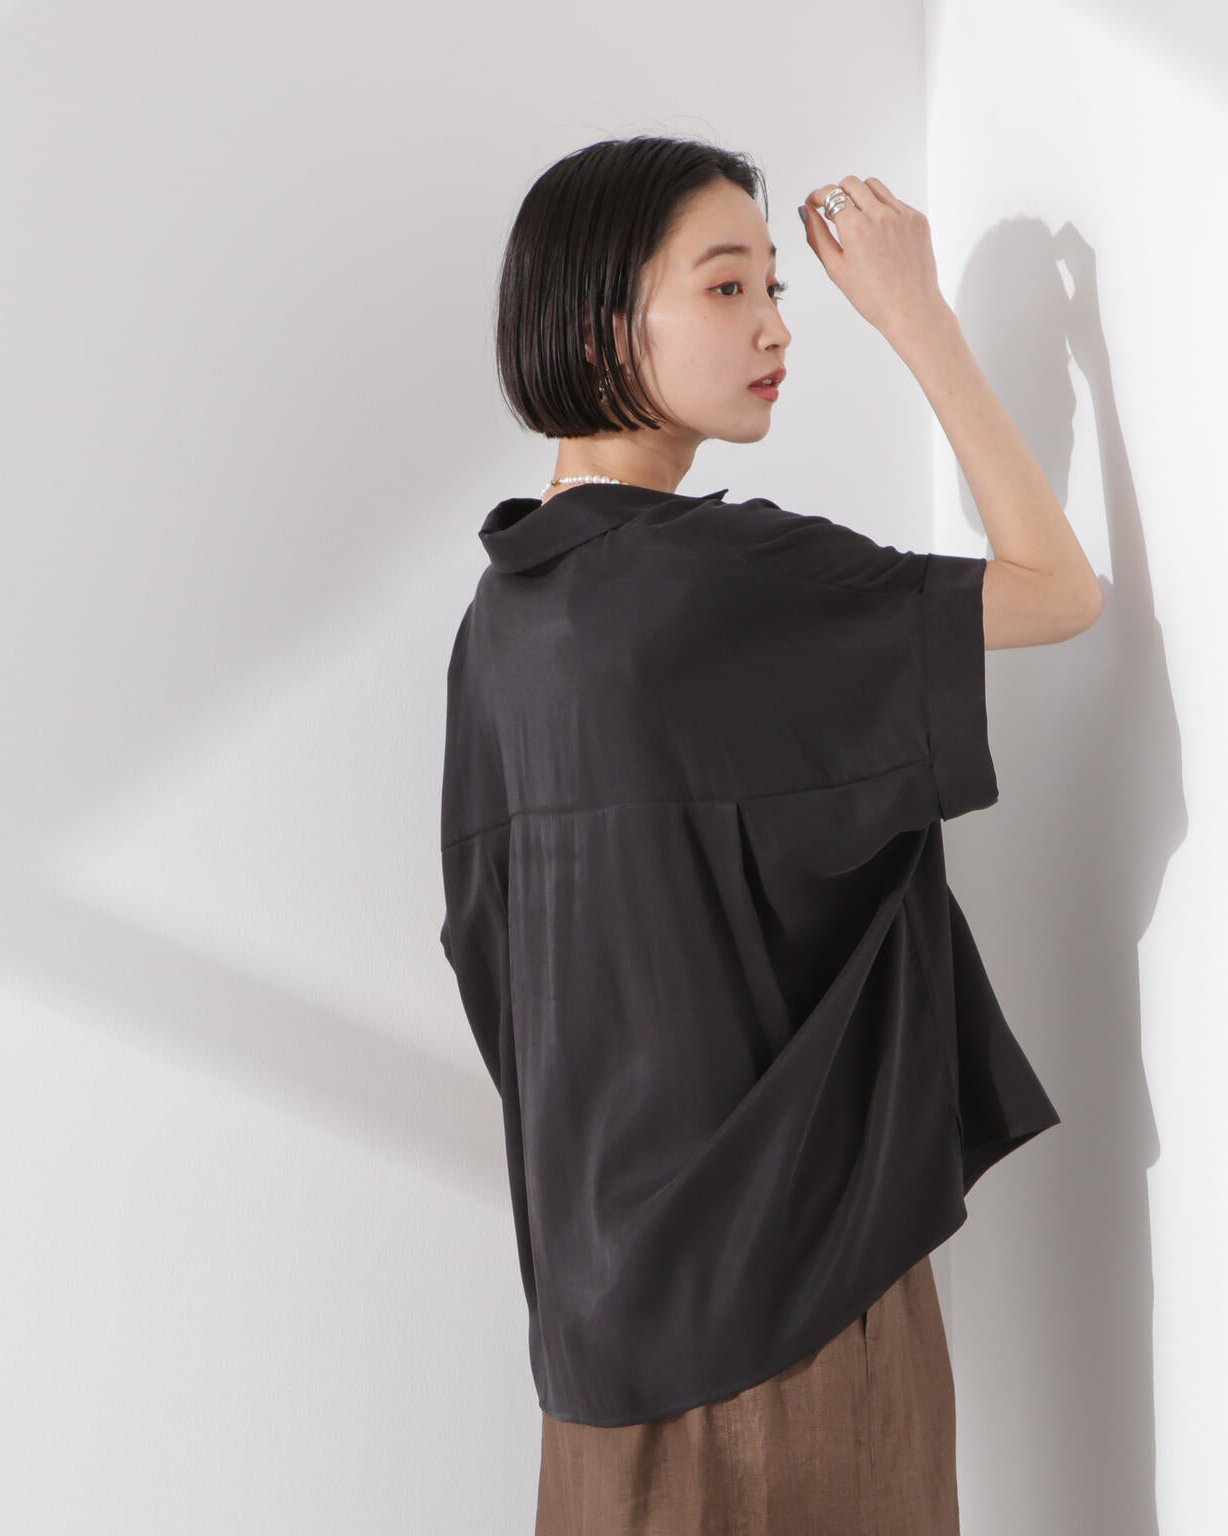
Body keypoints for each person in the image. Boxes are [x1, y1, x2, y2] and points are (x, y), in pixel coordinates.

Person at [438, 135, 1103, 1535]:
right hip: (795, 1311)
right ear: (597, 326)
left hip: (598, 1325)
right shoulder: (726, 582)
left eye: (777, 288)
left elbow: (492, 959)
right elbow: (1057, 587)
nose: (777, 329)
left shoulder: (501, 625)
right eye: (727, 287)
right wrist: (916, 318)